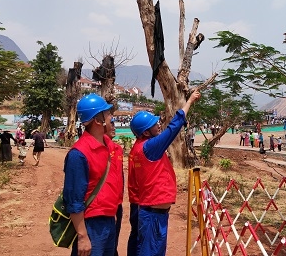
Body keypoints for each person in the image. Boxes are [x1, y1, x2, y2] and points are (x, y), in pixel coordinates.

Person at [128, 91, 200, 256]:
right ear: (146, 132)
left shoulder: (138, 147)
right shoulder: (150, 147)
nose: (159, 124)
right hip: (153, 214)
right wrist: (189, 101)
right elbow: (174, 128)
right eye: (154, 124)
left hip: (150, 210)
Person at [63, 93, 123, 256]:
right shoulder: (79, 154)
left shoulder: (108, 146)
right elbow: (74, 199)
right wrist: (82, 236)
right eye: (108, 114)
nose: (111, 117)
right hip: (91, 225)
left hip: (109, 221)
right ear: (98, 121)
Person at [107, 119, 124, 256]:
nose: (114, 127)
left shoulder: (118, 149)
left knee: (113, 244)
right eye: (111, 123)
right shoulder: (100, 148)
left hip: (117, 204)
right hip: (105, 207)